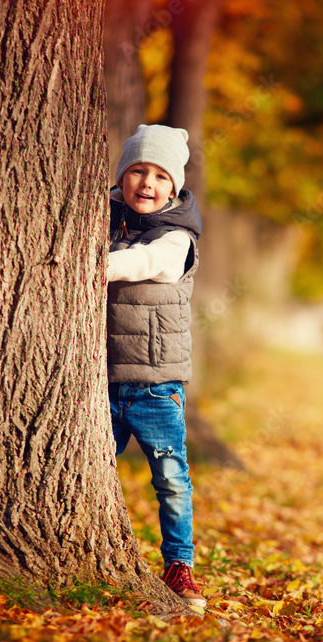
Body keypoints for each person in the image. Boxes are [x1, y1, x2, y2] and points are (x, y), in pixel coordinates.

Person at [106, 124, 204, 607]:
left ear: (175, 186)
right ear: (122, 177)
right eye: (137, 171)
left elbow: (140, 264)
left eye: (161, 176)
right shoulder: (108, 220)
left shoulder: (176, 238)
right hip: (101, 385)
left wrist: (84, 260)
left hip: (155, 386)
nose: (147, 183)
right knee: (97, 468)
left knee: (170, 478)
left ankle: (179, 565)